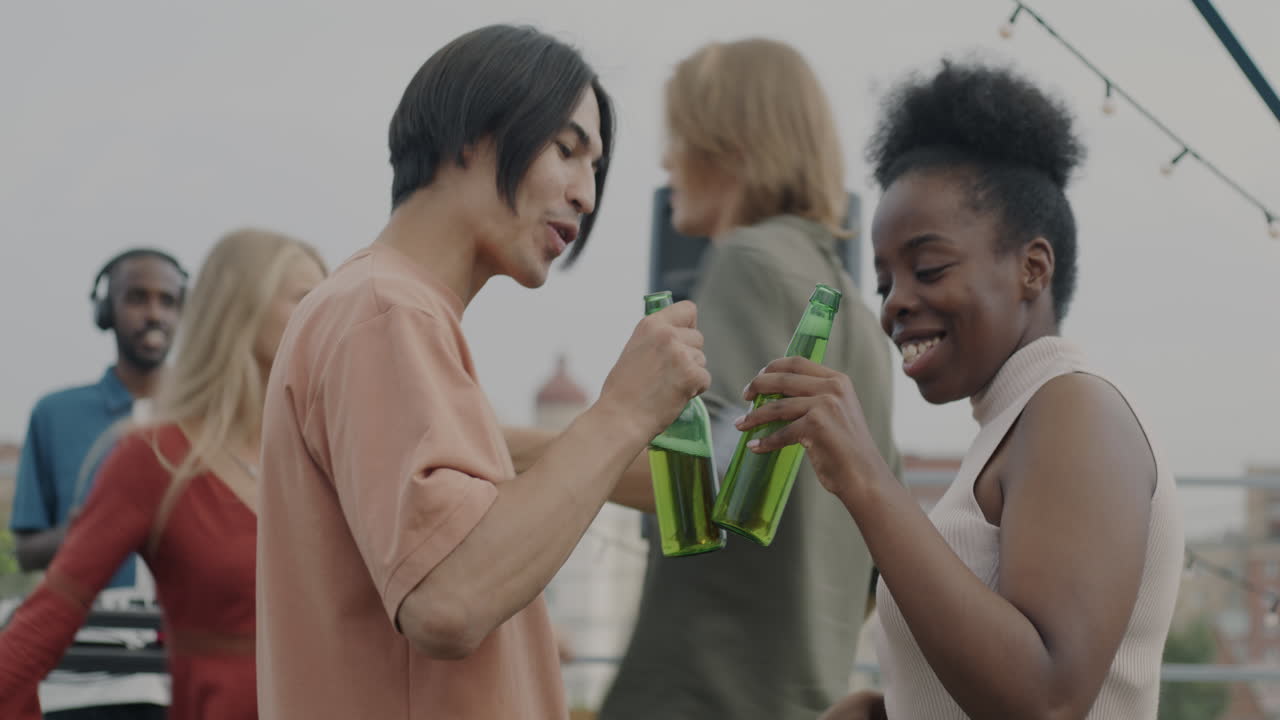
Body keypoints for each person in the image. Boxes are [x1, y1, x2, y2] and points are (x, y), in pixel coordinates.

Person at [256, 24, 709, 720]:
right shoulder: (385, 312)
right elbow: (447, 598)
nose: (586, 196)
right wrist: (622, 411)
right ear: (470, 134)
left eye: (594, 168)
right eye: (567, 150)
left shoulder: (385, 309)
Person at [729, 60, 1184, 719]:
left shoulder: (1075, 407)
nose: (895, 302)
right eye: (884, 282)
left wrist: (865, 478)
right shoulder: (1012, 427)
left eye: (929, 267)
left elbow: (1048, 700)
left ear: (1032, 268)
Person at [596, 38, 902, 720]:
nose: (666, 161)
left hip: (699, 700)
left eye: (680, 135)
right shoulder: (857, 317)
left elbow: (702, 478)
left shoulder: (748, 261)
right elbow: (876, 560)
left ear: (731, 148)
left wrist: (504, 447)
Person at [0, 229, 327, 720]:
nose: (327, 313)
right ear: (240, 309)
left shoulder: (329, 451)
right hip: (119, 690)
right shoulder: (150, 455)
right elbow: (42, 620)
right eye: (305, 297)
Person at [11, 247, 187, 719]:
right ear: (105, 310)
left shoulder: (209, 418)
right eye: (137, 298)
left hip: (185, 669)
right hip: (84, 678)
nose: (154, 314)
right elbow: (26, 550)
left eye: (168, 301)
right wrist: (90, 532)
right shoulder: (55, 414)